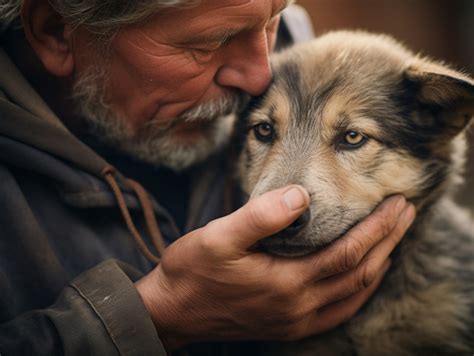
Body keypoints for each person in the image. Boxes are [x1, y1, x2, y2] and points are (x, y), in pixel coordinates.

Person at [0, 0, 416, 354]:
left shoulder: (296, 52)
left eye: (272, 20)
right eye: (207, 44)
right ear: (56, 30)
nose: (260, 78)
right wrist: (158, 318)